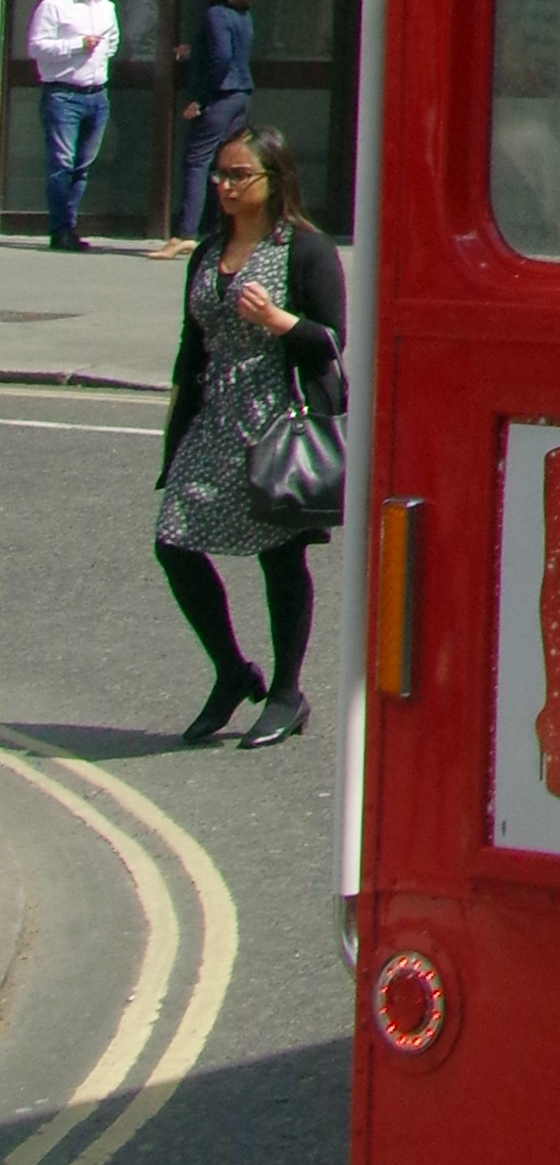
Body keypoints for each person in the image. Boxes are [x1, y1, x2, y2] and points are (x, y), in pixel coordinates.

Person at [152, 120, 345, 747]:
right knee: (174, 541)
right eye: (221, 175)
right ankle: (233, 671)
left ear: (273, 179)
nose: (225, 186)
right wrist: (176, 424)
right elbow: (192, 343)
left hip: (277, 419)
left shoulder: (304, 250)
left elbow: (331, 341)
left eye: (240, 175)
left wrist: (277, 319)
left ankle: (288, 693)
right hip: (214, 416)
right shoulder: (209, 253)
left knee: (280, 555)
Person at [24, 0, 116, 246]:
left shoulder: (106, 7)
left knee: (82, 165)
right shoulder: (54, 6)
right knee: (62, 164)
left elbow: (111, 43)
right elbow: (36, 46)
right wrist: (77, 46)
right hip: (63, 95)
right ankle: (59, 229)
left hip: (97, 96)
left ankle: (71, 226)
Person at [174, 0, 255, 236]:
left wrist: (200, 98)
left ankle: (185, 232)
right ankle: (227, 226)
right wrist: (194, 52)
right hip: (241, 92)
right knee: (229, 161)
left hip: (220, 94)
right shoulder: (242, 14)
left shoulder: (214, 14)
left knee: (198, 161)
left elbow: (221, 58)